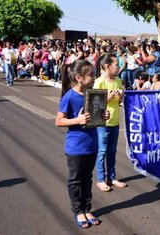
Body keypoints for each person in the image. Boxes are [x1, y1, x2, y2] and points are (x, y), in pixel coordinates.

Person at [55, 60, 108, 228]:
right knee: (75, 180)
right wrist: (77, 120)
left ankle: (87, 208)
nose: (94, 77)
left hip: (92, 145)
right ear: (79, 77)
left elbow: (95, 120)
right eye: (91, 74)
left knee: (87, 179)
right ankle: (78, 211)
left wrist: (102, 116)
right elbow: (59, 121)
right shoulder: (69, 96)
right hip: (76, 147)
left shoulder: (93, 94)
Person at [94, 54, 127, 192]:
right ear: (108, 66)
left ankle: (112, 178)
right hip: (102, 122)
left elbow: (119, 102)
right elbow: (94, 104)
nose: (119, 66)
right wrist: (109, 97)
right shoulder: (99, 82)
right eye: (117, 64)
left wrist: (121, 96)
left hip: (115, 120)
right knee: (102, 151)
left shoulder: (118, 81)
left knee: (112, 151)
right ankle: (100, 179)